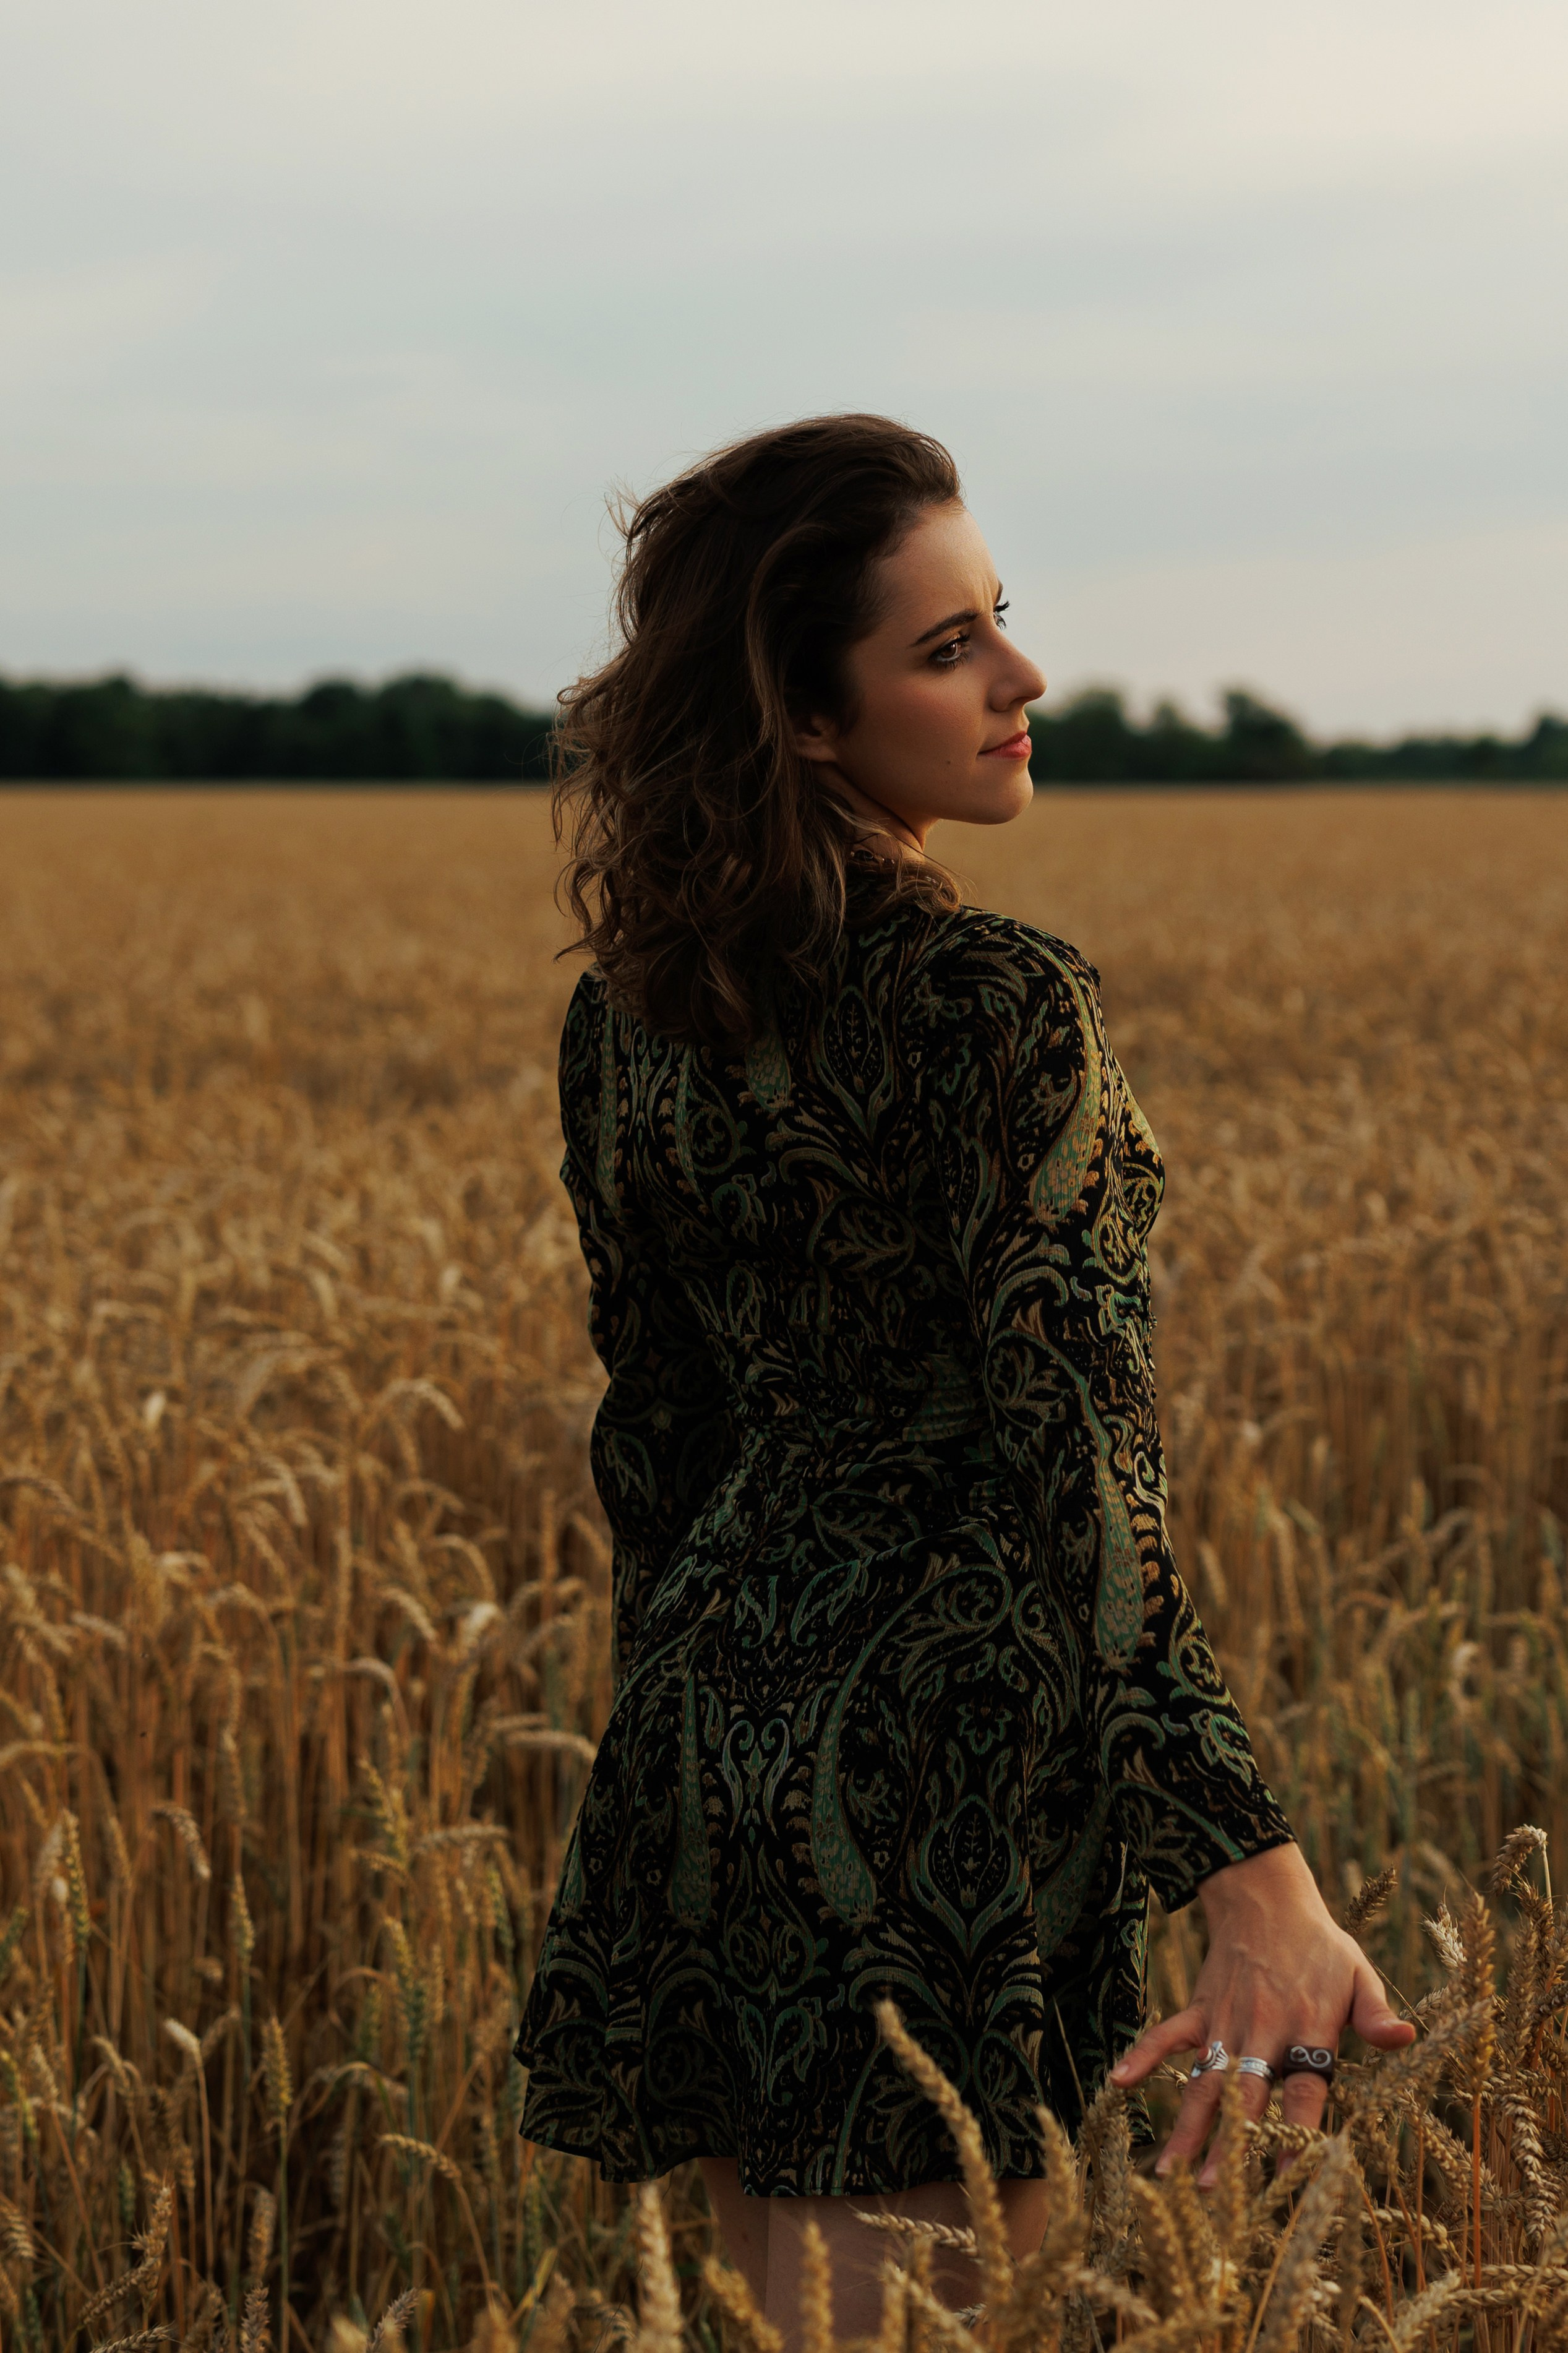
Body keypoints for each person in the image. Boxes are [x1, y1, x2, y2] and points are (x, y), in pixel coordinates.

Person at [511, 415, 1412, 2347]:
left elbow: (657, 1447)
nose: (1023, 678)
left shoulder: (629, 1024)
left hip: (715, 1752)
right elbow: (1077, 1473)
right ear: (810, 721)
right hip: (929, 1789)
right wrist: (1252, 1873)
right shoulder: (997, 1003)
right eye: (946, 649)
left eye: (1000, 620)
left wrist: (700, 1774)